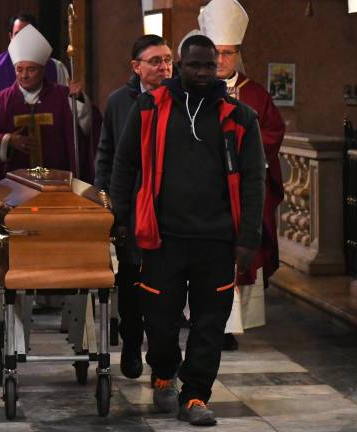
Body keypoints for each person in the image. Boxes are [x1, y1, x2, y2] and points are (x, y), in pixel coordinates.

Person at [109, 35, 265, 426]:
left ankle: (195, 395)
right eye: (193, 65)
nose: (201, 72)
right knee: (159, 323)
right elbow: (124, 166)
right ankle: (164, 372)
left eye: (208, 65)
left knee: (210, 324)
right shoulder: (150, 107)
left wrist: (248, 237)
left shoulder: (239, 116)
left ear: (217, 67)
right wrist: (122, 224)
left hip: (217, 239)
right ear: (180, 65)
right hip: (163, 238)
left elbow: (252, 182)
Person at [200, 0, 285, 350]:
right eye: (216, 52)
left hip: (242, 193)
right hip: (204, 194)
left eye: (229, 53)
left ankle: (230, 327)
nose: (221, 61)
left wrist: (240, 149)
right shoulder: (194, 91)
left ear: (238, 54)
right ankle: (203, 321)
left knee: (238, 255)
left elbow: (273, 133)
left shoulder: (255, 94)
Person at [94, 34, 172, 380]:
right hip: (131, 207)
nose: (164, 67)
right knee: (130, 284)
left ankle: (162, 359)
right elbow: (107, 155)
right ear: (136, 67)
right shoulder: (119, 102)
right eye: (155, 61)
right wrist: (109, 206)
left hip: (169, 210)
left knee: (164, 289)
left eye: (168, 60)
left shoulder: (180, 99)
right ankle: (130, 341)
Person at [0, 24, 92, 176]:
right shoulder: (0, 101)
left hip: (57, 182)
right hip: (16, 187)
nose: (24, 75)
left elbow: (86, 128)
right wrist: (8, 140)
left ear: (43, 69)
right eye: (19, 69)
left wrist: (78, 99)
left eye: (31, 69)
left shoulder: (62, 96)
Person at [0, 12, 70, 96]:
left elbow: (71, 107)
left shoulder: (57, 68)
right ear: (10, 36)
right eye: (18, 34)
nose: (22, 39)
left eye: (27, 34)